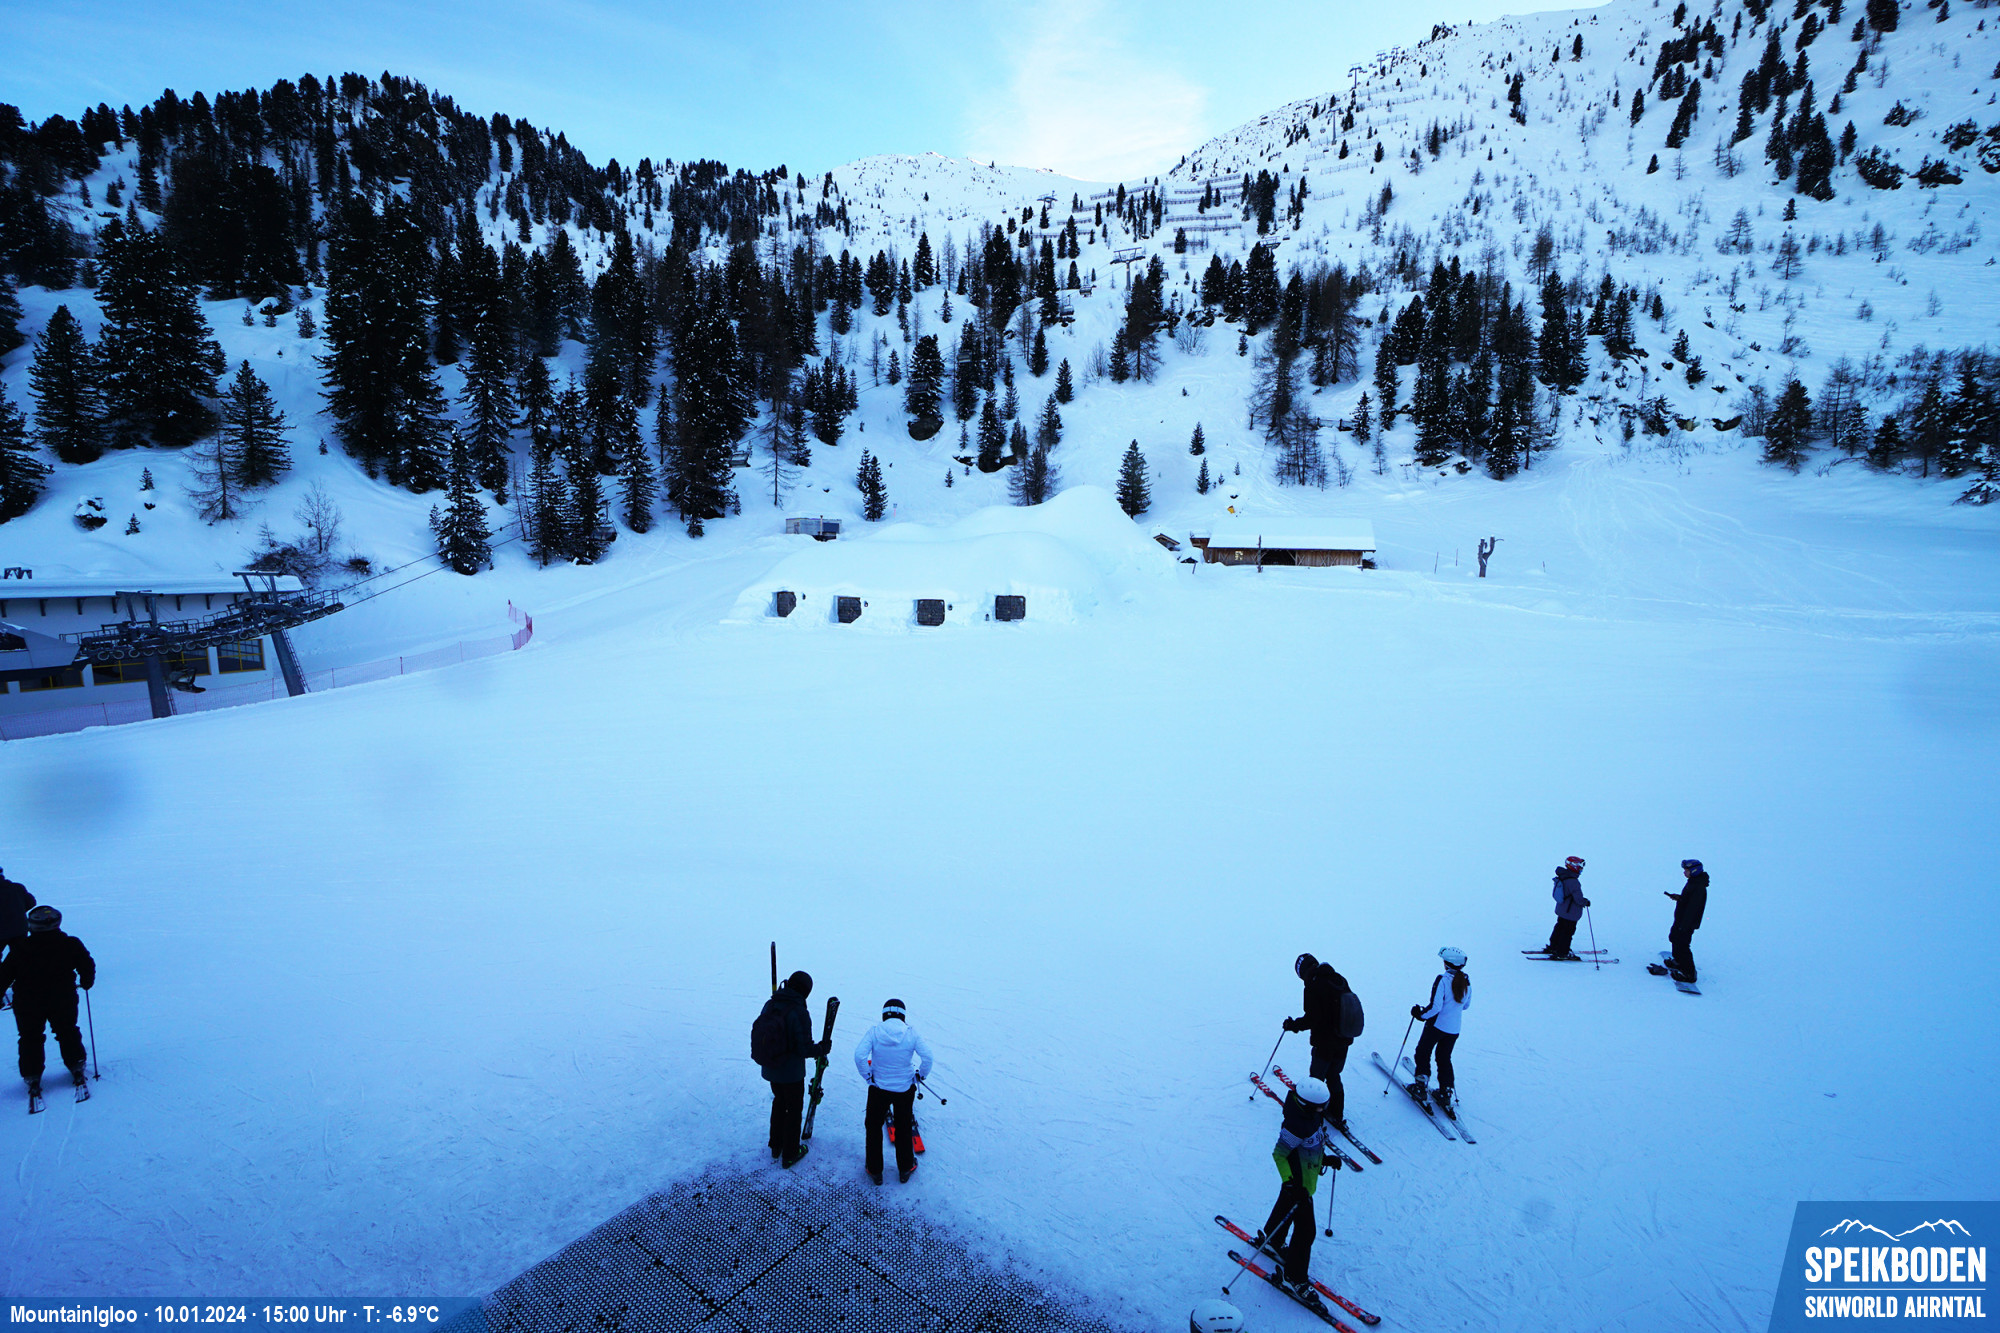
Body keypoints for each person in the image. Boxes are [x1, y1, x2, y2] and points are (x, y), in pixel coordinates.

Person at [0, 905, 94, 1098]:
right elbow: (86, 964)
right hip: (63, 998)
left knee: (30, 1037)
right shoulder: (70, 943)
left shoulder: (20, 948)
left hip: (27, 1002)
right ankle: (76, 1063)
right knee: (67, 1030)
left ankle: (31, 1074)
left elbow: (4, 975)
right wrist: (86, 981)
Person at [1255, 1075, 1336, 1299]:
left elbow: (1309, 1146)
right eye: (1320, 1107)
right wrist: (1291, 1183)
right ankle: (1295, 1277)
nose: (1323, 1110)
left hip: (1304, 1179)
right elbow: (1279, 1154)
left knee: (1285, 1207)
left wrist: (1325, 1159)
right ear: (1306, 1105)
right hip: (1299, 1184)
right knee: (1306, 1232)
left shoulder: (1311, 1116)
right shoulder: (1295, 1125)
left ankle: (1273, 1239)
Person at [752, 969, 829, 1168]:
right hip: (791, 1074)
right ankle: (790, 1153)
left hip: (771, 1068)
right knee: (793, 1110)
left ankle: (776, 1145)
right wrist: (821, 1049)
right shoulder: (799, 1012)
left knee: (779, 1102)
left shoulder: (771, 1003)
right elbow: (804, 1048)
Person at [852, 997, 934, 1184]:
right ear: (903, 1015)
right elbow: (928, 1057)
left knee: (873, 1127)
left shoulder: (874, 1032)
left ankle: (874, 1170)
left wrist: (868, 1077)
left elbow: (859, 1056)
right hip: (904, 1089)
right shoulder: (911, 1033)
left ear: (884, 1015)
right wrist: (920, 1076)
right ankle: (905, 1167)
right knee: (903, 1126)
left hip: (878, 1088)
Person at [1282, 954, 1357, 1128]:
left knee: (1316, 1080)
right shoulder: (1338, 979)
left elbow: (1312, 1018)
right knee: (1334, 1075)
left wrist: (1293, 1025)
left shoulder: (1313, 986)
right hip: (1344, 1039)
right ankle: (1336, 1113)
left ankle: (1311, 1118)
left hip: (1325, 1042)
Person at [1408, 947, 1471, 1115]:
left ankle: (1421, 1086)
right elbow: (1466, 1005)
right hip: (1454, 1029)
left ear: (1447, 963)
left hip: (1436, 1025)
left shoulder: (1442, 980)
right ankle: (1445, 1092)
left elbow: (1436, 1007)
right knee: (1444, 1058)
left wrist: (1420, 1015)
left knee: (1423, 1052)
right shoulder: (1466, 980)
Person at [1665, 859, 1709, 982]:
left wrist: (1684, 925)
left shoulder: (1699, 887)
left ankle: (1689, 974)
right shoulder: (1693, 882)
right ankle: (1678, 962)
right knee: (1674, 938)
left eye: (1686, 870)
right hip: (1681, 919)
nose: (1684, 872)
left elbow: (1693, 908)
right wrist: (1679, 898)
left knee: (1682, 944)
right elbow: (1688, 900)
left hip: (1687, 922)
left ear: (1694, 871)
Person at [0, 867, 35, 1010]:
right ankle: (26, 990)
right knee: (21, 959)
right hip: (19, 929)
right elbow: (31, 903)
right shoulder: (17, 888)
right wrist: (17, 911)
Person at [1544, 856, 1590, 958]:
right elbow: (1578, 899)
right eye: (1580, 867)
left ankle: (1554, 946)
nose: (1581, 870)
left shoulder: (1563, 876)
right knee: (1567, 932)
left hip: (1562, 910)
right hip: (1571, 912)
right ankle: (1562, 952)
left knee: (1560, 927)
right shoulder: (1573, 881)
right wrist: (1585, 902)